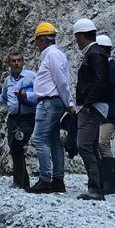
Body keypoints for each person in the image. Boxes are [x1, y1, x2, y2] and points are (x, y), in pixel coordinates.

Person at [27, 22, 75, 194]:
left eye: (37, 40)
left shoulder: (52, 55)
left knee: (39, 138)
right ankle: (58, 180)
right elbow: (63, 80)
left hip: (49, 103)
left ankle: (45, 180)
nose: (36, 44)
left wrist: (69, 103)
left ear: (43, 39)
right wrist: (67, 103)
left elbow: (61, 81)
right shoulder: (54, 54)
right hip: (53, 102)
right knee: (54, 140)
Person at [72, 19, 111, 201]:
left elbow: (99, 80)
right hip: (94, 105)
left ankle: (95, 188)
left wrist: (87, 103)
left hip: (92, 107)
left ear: (81, 36)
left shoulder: (94, 54)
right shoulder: (97, 53)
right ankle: (98, 187)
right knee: (91, 146)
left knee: (84, 145)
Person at [0, 50, 36, 189]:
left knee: (18, 143)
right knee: (13, 147)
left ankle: (20, 181)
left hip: (28, 117)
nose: (16, 63)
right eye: (13, 61)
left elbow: (40, 94)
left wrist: (26, 95)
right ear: (9, 63)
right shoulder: (8, 81)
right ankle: (22, 182)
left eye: (19, 60)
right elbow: (4, 98)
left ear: (23, 62)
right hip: (12, 118)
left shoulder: (31, 76)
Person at [96, 34, 115, 195]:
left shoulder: (114, 68)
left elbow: (106, 88)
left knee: (102, 143)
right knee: (98, 144)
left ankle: (109, 184)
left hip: (109, 113)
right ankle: (101, 182)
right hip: (99, 112)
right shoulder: (102, 68)